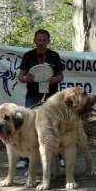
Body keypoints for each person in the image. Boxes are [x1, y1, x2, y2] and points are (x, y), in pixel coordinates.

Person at [16, 29, 64, 169]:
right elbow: (20, 76)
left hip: (52, 97)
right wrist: (26, 78)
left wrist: (55, 79)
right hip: (33, 97)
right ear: (34, 40)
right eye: (39, 40)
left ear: (48, 41)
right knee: (28, 125)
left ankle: (59, 157)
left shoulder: (54, 56)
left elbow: (61, 76)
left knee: (55, 126)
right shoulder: (28, 56)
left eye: (44, 40)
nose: (41, 43)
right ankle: (25, 158)